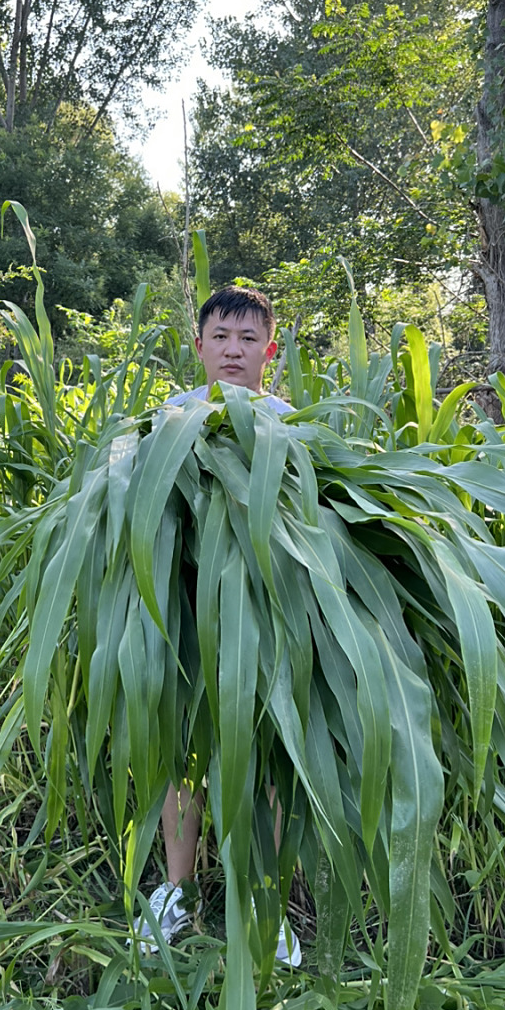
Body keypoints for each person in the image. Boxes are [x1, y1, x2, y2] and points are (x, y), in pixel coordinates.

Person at [132, 285, 301, 966]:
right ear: (198, 345)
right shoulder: (168, 419)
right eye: (221, 337)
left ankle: (265, 903)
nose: (234, 350)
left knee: (274, 761)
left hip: (269, 619)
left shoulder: (290, 425)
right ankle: (176, 891)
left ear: (270, 351)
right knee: (182, 758)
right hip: (184, 616)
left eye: (248, 338)